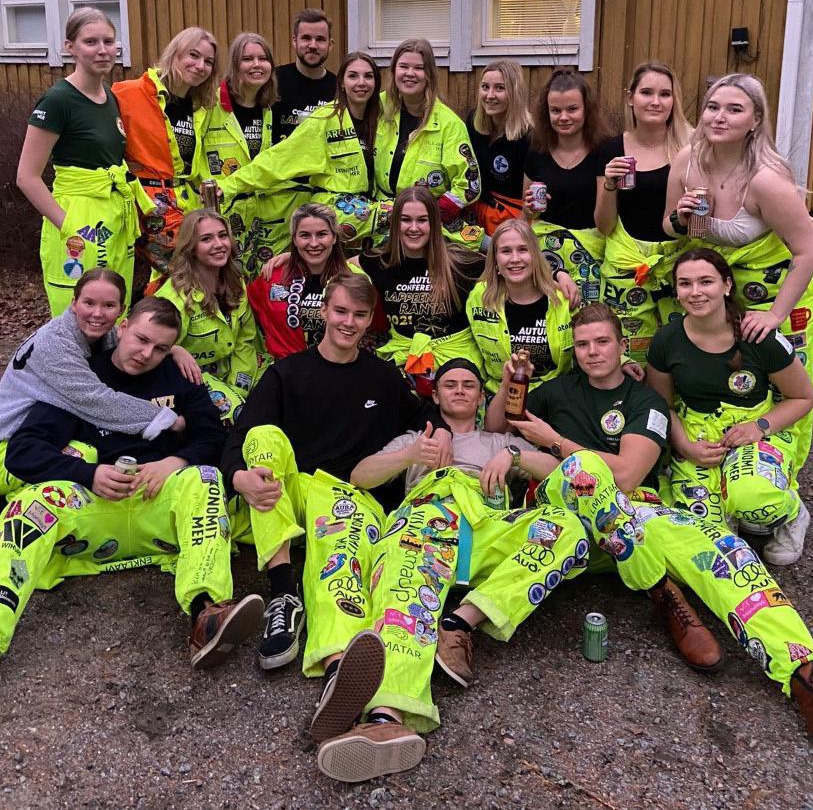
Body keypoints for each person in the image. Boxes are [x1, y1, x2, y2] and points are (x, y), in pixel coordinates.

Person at [500, 303, 813, 759]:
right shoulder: (557, 390)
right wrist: (511, 385)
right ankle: (665, 593)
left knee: (723, 549)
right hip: (562, 524)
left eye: (603, 341)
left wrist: (553, 440)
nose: (592, 352)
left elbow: (627, 476)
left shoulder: (646, 402)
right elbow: (498, 424)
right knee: (582, 470)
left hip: (637, 518)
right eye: (583, 344)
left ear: (622, 345)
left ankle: (809, 678)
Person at [314, 357, 587, 783]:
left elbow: (561, 471)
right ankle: (386, 718)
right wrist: (410, 455)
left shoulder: (497, 440)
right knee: (405, 592)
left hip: (488, 525)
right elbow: (360, 476)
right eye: (450, 384)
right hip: (427, 520)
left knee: (567, 527)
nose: (459, 390)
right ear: (436, 396)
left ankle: (461, 622)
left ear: (481, 399)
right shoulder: (416, 437)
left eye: (469, 385)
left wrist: (514, 455)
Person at [219, 273, 451, 737]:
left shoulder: (381, 376)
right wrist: (238, 477)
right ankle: (283, 592)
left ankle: (338, 668)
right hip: (288, 493)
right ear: (323, 310)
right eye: (341, 311)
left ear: (369, 320)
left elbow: (424, 412)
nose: (349, 322)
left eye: (360, 315)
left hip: (348, 496)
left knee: (337, 540)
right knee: (263, 437)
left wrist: (442, 430)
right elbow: (241, 436)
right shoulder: (286, 373)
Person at [0, 297, 264, 669]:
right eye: (141, 339)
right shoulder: (82, 379)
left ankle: (207, 612)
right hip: (94, 508)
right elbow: (22, 451)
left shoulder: (179, 378)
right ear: (121, 327)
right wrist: (88, 474)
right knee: (28, 505)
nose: (146, 354)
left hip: (159, 508)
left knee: (202, 478)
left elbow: (213, 437)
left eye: (160, 348)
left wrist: (174, 462)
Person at [645, 249, 813, 564]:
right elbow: (662, 405)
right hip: (697, 432)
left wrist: (759, 427)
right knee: (701, 537)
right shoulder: (666, 340)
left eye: (706, 281)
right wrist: (686, 447)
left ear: (726, 285)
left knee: (753, 498)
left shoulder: (758, 336)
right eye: (685, 284)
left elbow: (803, 398)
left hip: (755, 427)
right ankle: (725, 512)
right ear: (677, 291)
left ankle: (791, 513)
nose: (695, 292)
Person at [663, 74, 813, 389]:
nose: (719, 117)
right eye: (712, 107)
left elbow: (809, 250)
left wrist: (775, 316)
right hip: (718, 288)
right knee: (721, 379)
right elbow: (668, 227)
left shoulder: (765, 180)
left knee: (779, 384)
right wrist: (681, 219)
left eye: (734, 109)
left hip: (775, 288)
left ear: (756, 120)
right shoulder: (687, 161)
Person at [16, 7, 153, 315]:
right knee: (80, 313)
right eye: (91, 42)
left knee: (113, 309)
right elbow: (27, 176)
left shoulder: (109, 96)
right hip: (79, 219)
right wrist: (69, 226)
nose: (102, 49)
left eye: (108, 41)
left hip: (113, 217)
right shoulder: (58, 101)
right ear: (70, 47)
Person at [0, 269, 184, 496]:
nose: (98, 313)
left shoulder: (104, 335)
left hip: (40, 430)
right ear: (74, 303)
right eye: (89, 303)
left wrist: (173, 350)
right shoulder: (55, 344)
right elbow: (96, 400)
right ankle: (15, 501)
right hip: (8, 441)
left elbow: (132, 340)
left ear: (121, 311)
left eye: (108, 305)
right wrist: (162, 418)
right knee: (83, 454)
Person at [217, 51, 386, 267]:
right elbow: (278, 160)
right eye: (353, 76)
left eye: (368, 76)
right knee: (398, 219)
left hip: (368, 209)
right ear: (342, 83)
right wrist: (229, 186)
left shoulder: (383, 119)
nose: (361, 83)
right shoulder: (323, 120)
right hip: (334, 208)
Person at [595, 62, 692, 362]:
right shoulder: (611, 148)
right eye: (646, 92)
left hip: (679, 265)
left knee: (682, 353)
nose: (655, 102)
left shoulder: (691, 146)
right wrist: (609, 184)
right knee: (629, 356)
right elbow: (604, 226)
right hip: (627, 269)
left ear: (674, 101)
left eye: (665, 94)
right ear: (630, 98)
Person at [112, 26, 222, 275]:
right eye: (193, 55)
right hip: (148, 205)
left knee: (186, 278)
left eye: (208, 62)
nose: (200, 66)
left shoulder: (200, 106)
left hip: (186, 204)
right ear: (175, 54)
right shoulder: (129, 93)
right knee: (186, 275)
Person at [358, 187, 485, 393]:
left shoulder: (461, 262)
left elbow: (507, 267)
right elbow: (339, 268)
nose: (414, 228)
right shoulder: (379, 261)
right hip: (403, 358)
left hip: (457, 362)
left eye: (422, 220)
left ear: (434, 223)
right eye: (406, 220)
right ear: (395, 223)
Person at [154, 210, 266, 424]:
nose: (219, 244)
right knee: (238, 415)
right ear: (191, 247)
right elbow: (151, 346)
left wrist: (238, 386)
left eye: (223, 236)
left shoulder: (236, 282)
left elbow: (245, 340)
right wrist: (173, 349)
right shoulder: (173, 297)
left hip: (236, 369)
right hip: (192, 379)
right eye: (206, 239)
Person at [374, 39, 481, 234]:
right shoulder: (378, 108)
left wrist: (431, 215)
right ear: (394, 71)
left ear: (429, 75)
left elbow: (469, 185)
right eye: (403, 66)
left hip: (427, 224)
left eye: (418, 68)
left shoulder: (449, 124)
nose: (410, 73)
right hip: (381, 216)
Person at [523, 68, 606, 299]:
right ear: (546, 112)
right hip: (545, 256)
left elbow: (606, 221)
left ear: (587, 109)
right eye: (556, 110)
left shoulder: (603, 150)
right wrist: (529, 209)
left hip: (590, 255)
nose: (563, 117)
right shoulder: (537, 150)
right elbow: (526, 215)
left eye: (572, 109)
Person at [466, 218, 575, 394]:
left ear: (535, 255)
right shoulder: (480, 296)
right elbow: (470, 347)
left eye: (523, 249)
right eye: (506, 251)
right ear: (495, 259)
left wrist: (559, 274)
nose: (515, 259)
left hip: (555, 393)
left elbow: (589, 339)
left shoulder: (563, 295)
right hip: (499, 393)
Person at [202, 32, 278, 274]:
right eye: (247, 59)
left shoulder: (267, 109)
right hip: (216, 211)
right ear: (235, 65)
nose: (257, 65)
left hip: (254, 215)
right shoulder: (210, 103)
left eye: (263, 59)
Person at [247, 203, 352, 359]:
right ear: (294, 239)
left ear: (334, 237)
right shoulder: (272, 277)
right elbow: (245, 318)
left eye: (322, 234)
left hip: (338, 365)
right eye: (305, 235)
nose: (314, 243)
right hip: (287, 368)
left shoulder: (353, 278)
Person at [466, 60, 532, 235]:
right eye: (485, 87)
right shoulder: (472, 122)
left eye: (500, 88)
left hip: (511, 219)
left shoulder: (529, 137)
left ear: (515, 92)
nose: (490, 95)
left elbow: (530, 202)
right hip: (474, 213)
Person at [272, 10, 337, 144]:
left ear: (330, 45)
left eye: (320, 39)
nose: (313, 45)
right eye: (306, 38)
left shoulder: (339, 89)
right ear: (294, 41)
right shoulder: (273, 81)